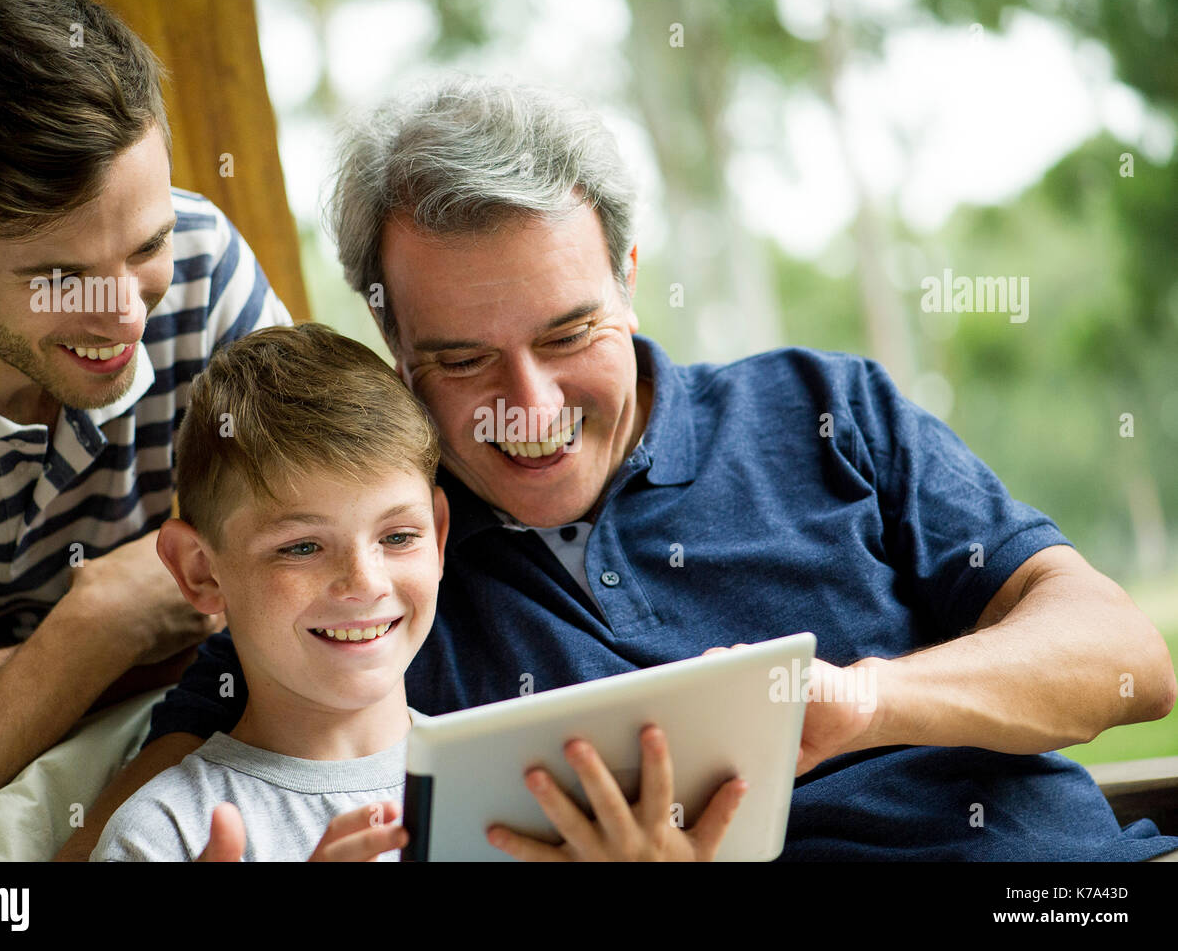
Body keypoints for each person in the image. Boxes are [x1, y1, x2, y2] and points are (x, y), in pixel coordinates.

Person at [64, 77, 1177, 862]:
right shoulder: (373, 567)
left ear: (629, 275)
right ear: (389, 336)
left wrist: (866, 702)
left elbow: (1127, 663)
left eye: (565, 335)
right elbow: (155, 809)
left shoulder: (822, 411)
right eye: (459, 359)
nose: (528, 406)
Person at [90, 322, 746, 861]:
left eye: (397, 536)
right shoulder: (164, 832)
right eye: (300, 546)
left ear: (437, 536)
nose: (364, 582)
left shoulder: (532, 795)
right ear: (200, 569)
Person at [0, 0, 289, 846]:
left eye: (144, 248)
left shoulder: (206, 268)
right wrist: (97, 631)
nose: (124, 317)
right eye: (58, 276)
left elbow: (315, 570)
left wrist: (39, 672)